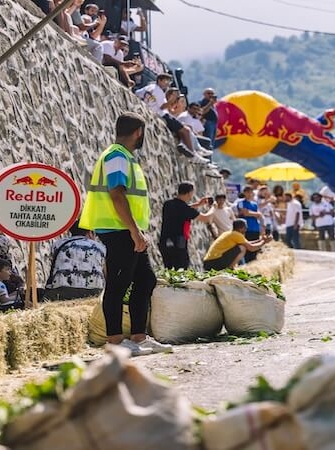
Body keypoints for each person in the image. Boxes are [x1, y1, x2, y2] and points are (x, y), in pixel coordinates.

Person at [79, 112, 172, 356]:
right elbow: (117, 195)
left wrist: (136, 230)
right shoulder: (117, 156)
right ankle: (115, 342)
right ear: (139, 132)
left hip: (127, 229)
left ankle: (139, 337)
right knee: (118, 284)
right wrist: (134, 230)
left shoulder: (124, 157)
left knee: (145, 280)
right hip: (119, 229)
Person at [44, 221, 106, 301]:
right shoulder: (100, 247)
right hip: (94, 291)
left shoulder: (58, 244)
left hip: (61, 291)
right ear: (90, 233)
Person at [159, 182, 215, 269]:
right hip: (178, 244)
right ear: (189, 193)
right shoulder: (186, 209)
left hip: (164, 242)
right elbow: (206, 218)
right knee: (181, 268)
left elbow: (181, 209)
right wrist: (213, 208)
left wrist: (198, 204)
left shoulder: (168, 204)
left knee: (169, 268)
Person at [203, 220, 272, 270]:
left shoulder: (230, 233)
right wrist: (264, 242)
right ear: (240, 228)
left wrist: (261, 240)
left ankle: (230, 268)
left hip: (209, 262)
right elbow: (251, 248)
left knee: (243, 246)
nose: (246, 229)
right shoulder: (237, 235)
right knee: (242, 248)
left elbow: (248, 243)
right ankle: (230, 269)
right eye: (245, 227)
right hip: (214, 262)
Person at [234, 186, 264, 262]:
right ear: (244, 193)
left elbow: (258, 215)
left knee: (255, 249)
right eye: (247, 192)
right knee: (246, 249)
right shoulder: (240, 202)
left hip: (255, 228)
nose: (249, 194)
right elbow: (244, 212)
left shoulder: (254, 204)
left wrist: (251, 213)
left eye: (251, 192)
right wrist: (256, 214)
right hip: (245, 229)